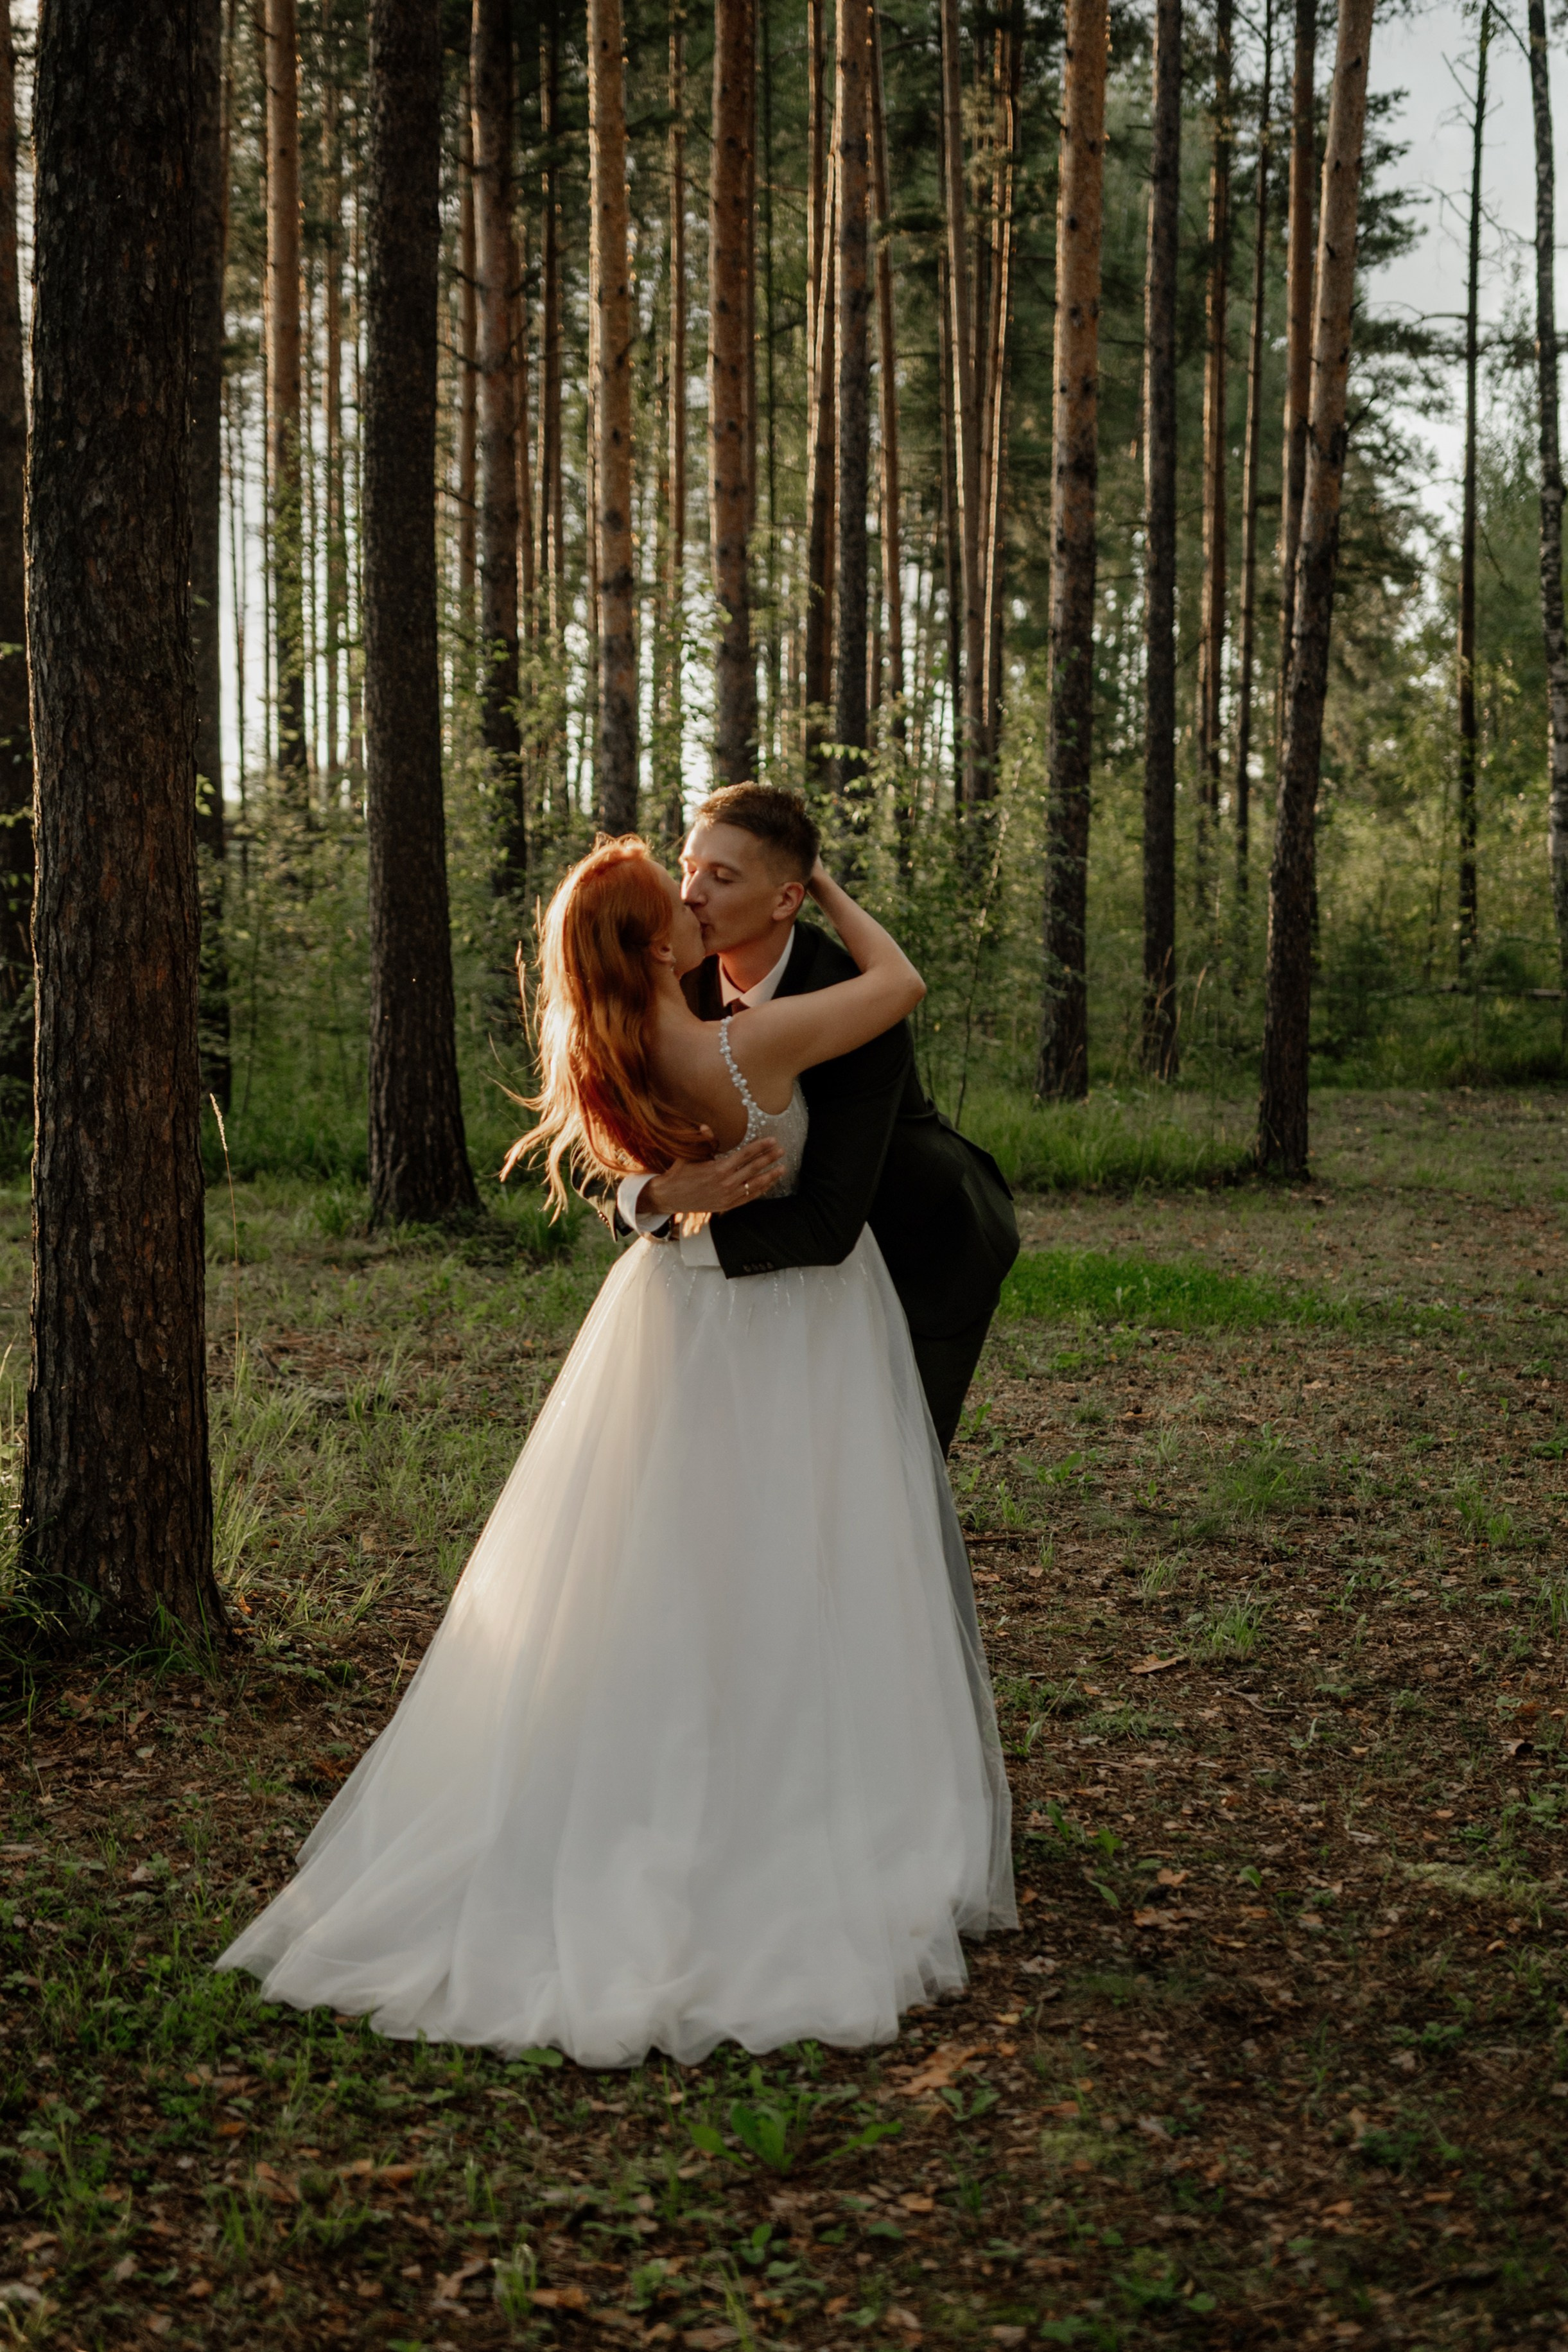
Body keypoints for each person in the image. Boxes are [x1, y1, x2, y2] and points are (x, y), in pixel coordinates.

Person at [217, 837, 1015, 2069]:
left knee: (670, 1558)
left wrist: (667, 1203)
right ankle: (781, 1805)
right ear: (656, 944)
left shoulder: (610, 1045)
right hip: (793, 1327)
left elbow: (625, 1189)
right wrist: (675, 1192)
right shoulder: (750, 1039)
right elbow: (896, 986)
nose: (696, 898)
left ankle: (701, 1774)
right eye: (679, 892)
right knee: (777, 1552)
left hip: (671, 1324)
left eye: (712, 875)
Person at [618, 784, 1018, 1456]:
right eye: (687, 868)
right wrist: (655, 1196)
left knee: (889, 1468)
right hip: (775, 1261)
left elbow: (831, 1223)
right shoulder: (676, 988)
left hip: (918, 1247)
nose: (690, 894)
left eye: (721, 877)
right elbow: (627, 1158)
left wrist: (675, 1259)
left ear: (786, 899)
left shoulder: (855, 1001)